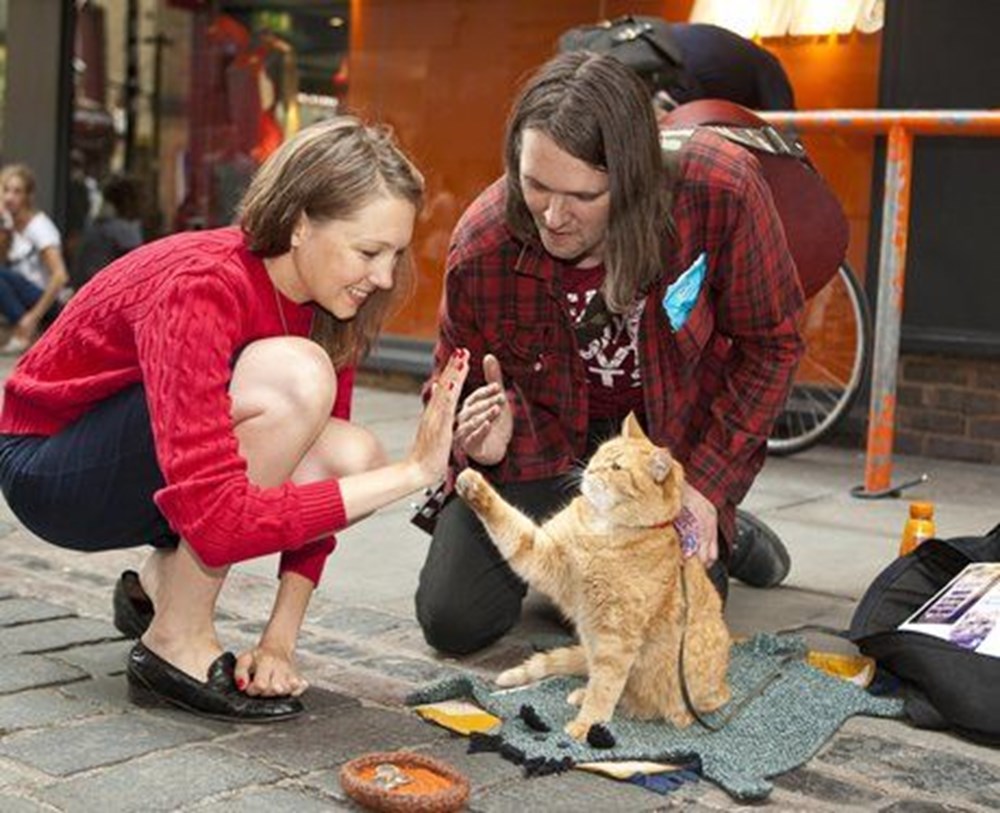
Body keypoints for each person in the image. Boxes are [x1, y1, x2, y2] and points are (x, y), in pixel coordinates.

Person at [0, 117, 470, 722]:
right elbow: (221, 521)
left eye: (396, 254)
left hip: (150, 468)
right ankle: (176, 640)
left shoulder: (330, 304)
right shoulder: (203, 284)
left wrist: (279, 640)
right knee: (298, 379)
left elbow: (322, 478)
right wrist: (414, 473)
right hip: (49, 466)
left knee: (351, 455)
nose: (383, 276)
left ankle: (164, 577)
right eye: (369, 251)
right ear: (300, 225)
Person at [414, 52, 804, 656]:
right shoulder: (483, 242)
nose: (552, 215)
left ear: (632, 179)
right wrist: (479, 439)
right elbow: (450, 381)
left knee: (661, 635)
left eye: (582, 195)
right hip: (540, 448)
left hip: (665, 451)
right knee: (453, 622)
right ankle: (596, 538)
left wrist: (704, 489)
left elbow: (771, 344)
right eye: (536, 183)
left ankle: (722, 523)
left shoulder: (718, 190)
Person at [0, 163, 71, 354]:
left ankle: (24, 329)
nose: (9, 197)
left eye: (17, 192)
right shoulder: (10, 226)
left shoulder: (39, 227)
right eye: (6, 190)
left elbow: (60, 276)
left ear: (27, 196)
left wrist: (32, 317)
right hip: (22, 300)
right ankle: (22, 330)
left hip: (46, 303)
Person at [70, 173, 145, 289]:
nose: (143, 205)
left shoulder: (98, 225)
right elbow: (138, 273)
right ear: (128, 200)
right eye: (141, 198)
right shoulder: (123, 230)